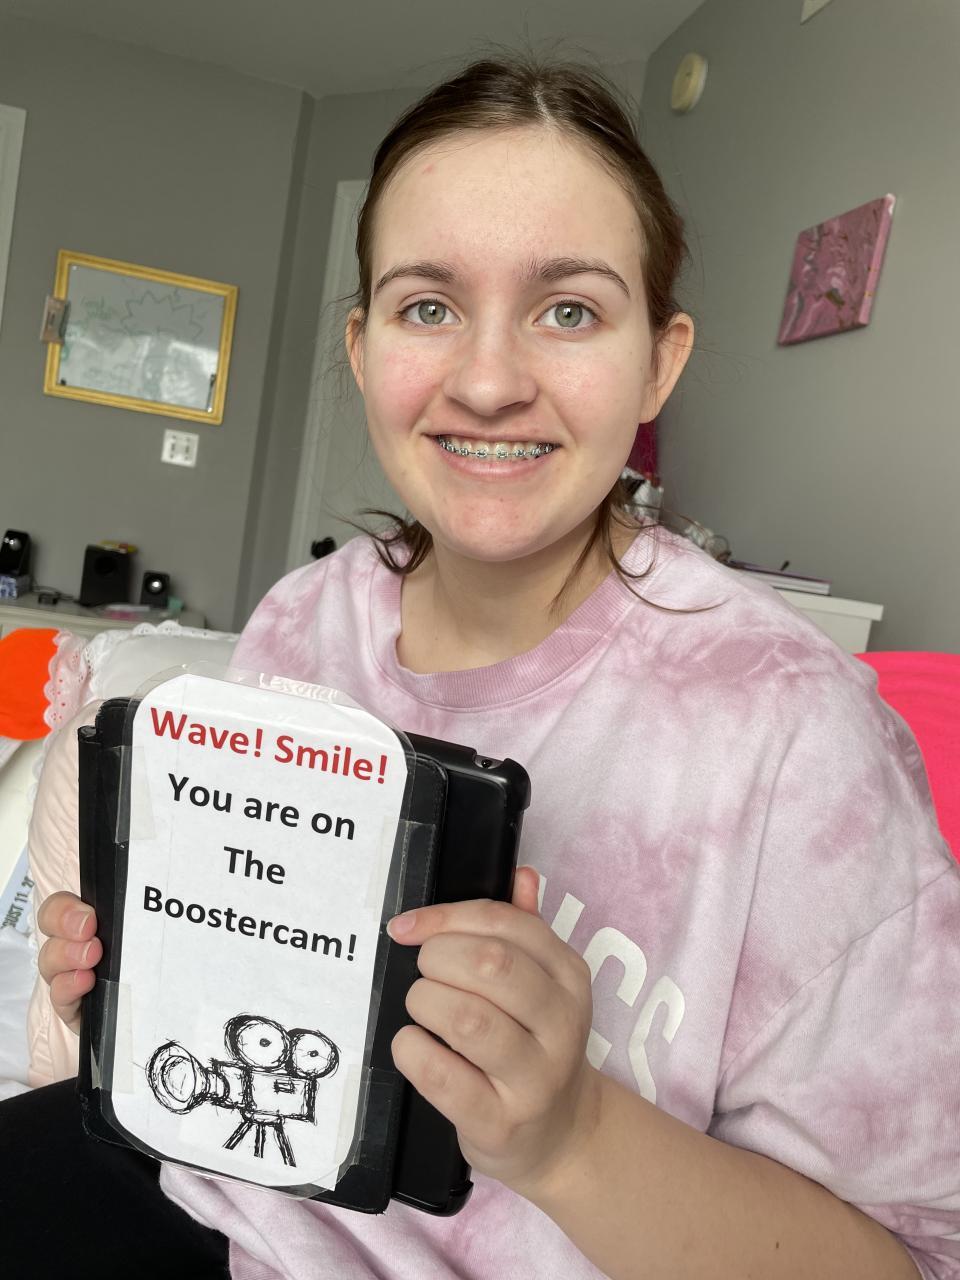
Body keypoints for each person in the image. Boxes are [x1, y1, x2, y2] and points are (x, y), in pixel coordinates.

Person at [15, 53, 960, 1280]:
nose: (490, 380)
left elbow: (911, 1259)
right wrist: (152, 980)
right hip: (221, 1209)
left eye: (569, 310)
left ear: (660, 359)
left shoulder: (795, 733)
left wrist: (573, 1135)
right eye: (428, 306)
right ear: (362, 348)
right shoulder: (305, 620)